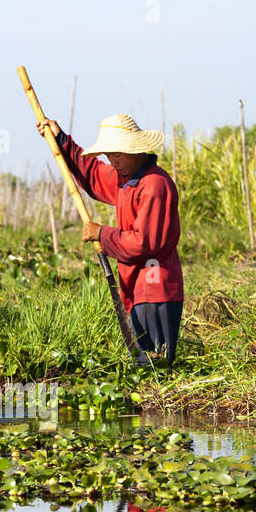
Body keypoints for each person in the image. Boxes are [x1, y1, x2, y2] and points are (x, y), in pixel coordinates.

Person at [37, 113, 185, 365]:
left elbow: (144, 243)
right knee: (142, 363)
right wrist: (62, 140)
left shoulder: (154, 185)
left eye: (117, 154)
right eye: (109, 155)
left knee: (154, 365)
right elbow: (93, 175)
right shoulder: (125, 178)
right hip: (136, 287)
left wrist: (102, 234)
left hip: (155, 287)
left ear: (136, 150)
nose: (112, 160)